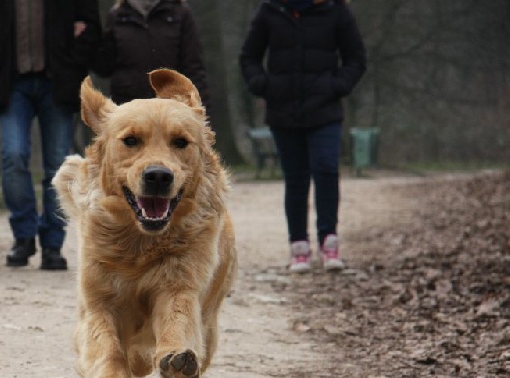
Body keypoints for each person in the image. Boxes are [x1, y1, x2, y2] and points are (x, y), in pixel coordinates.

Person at [0, 1, 101, 270]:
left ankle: (53, 244)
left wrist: (73, 62)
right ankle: (23, 236)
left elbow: (90, 26)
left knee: (58, 164)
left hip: (58, 82)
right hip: (11, 83)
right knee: (13, 155)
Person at [239, 0, 366, 273]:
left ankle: (329, 242)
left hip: (325, 110)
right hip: (283, 112)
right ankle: (299, 246)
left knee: (326, 169)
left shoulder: (335, 9)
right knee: (296, 179)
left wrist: (338, 85)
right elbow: (249, 57)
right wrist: (263, 85)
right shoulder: (270, 10)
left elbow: (356, 58)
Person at [91, 0, 210, 108]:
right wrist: (88, 32)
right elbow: (104, 67)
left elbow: (194, 68)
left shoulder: (180, 13)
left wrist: (200, 108)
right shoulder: (117, 16)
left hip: (172, 107)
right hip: (128, 108)